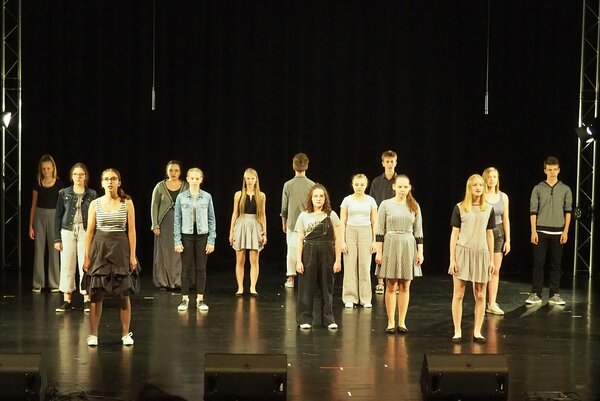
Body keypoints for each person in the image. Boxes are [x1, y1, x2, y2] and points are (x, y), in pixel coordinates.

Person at [83, 168, 138, 346]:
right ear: (102, 183)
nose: (110, 182)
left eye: (113, 179)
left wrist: (133, 255)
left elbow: (131, 231)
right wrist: (86, 256)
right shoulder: (95, 204)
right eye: (106, 179)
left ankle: (125, 334)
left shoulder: (126, 202)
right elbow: (90, 231)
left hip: (120, 248)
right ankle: (93, 334)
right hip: (100, 248)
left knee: (123, 293)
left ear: (119, 182)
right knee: (96, 293)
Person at [449, 174, 495, 344]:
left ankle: (477, 331)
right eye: (475, 185)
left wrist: (491, 259)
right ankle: (457, 330)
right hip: (463, 253)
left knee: (481, 295)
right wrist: (452, 259)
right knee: (459, 294)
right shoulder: (460, 208)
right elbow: (454, 235)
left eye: (481, 185)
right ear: (469, 187)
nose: (478, 188)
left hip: (482, 254)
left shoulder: (488, 209)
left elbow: (490, 235)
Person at [375, 175, 424, 333]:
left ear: (409, 188)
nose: (403, 190)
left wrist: (420, 252)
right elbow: (379, 231)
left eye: (405, 187)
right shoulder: (385, 205)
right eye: (400, 187)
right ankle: (391, 322)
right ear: (394, 187)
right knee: (391, 284)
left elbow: (418, 231)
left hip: (408, 244)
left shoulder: (414, 205)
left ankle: (402, 322)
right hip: (391, 243)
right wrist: (379, 252)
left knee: (405, 285)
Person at [295, 184, 342, 330]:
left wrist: (338, 260)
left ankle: (328, 319)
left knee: (327, 286)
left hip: (327, 251)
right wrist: (298, 261)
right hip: (309, 251)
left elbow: (338, 239)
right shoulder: (303, 216)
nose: (318, 199)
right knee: (306, 287)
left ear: (325, 198)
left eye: (321, 196)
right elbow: (299, 240)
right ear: (311, 198)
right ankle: (305, 319)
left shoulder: (331, 215)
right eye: (315, 196)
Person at [526, 156, 572, 306]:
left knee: (556, 264)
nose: (552, 172)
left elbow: (568, 211)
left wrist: (565, 231)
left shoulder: (565, 189)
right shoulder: (538, 188)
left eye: (555, 169)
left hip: (558, 232)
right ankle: (536, 293)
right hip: (541, 231)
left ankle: (554, 294)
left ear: (559, 170)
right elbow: (533, 211)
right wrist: (533, 231)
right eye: (549, 170)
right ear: (545, 170)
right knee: (538, 263)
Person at [54, 163, 97, 313]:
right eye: (76, 174)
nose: (78, 176)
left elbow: (96, 216)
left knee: (85, 264)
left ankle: (86, 298)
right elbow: (58, 216)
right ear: (72, 176)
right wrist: (57, 239)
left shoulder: (92, 194)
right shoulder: (64, 193)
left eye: (81, 174)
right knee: (67, 264)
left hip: (85, 230)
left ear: (86, 177)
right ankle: (67, 299)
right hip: (68, 230)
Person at [174, 168, 216, 312]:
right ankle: (184, 299)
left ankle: (200, 298)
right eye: (192, 178)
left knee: (201, 268)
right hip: (187, 234)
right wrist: (177, 241)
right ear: (187, 179)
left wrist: (211, 240)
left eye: (197, 178)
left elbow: (211, 219)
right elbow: (177, 220)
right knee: (186, 268)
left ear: (201, 179)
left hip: (202, 235)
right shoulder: (181, 197)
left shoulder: (207, 197)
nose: (194, 181)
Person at [339, 174, 377, 309]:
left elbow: (375, 222)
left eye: (362, 184)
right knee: (350, 265)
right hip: (350, 231)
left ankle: (365, 298)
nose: (359, 187)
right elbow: (342, 221)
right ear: (352, 185)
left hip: (366, 231)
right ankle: (350, 297)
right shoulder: (347, 200)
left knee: (364, 265)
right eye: (356, 184)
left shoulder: (371, 200)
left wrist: (375, 241)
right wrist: (342, 241)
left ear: (366, 185)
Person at [229, 168, 267, 296]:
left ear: (256, 180)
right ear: (244, 180)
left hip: (255, 226)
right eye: (248, 178)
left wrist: (264, 233)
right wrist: (231, 232)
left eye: (252, 178)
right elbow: (235, 213)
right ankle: (240, 287)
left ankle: (252, 287)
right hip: (241, 225)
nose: (250, 181)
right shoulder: (238, 194)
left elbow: (262, 215)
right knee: (240, 259)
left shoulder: (261, 196)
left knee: (254, 260)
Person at [151, 160, 188, 290]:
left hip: (181, 223)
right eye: (171, 170)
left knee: (179, 251)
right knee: (164, 252)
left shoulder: (186, 186)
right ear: (167, 171)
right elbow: (154, 205)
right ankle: (164, 281)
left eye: (176, 170)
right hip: (164, 223)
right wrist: (155, 224)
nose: (173, 173)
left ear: (180, 172)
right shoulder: (160, 186)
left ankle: (179, 281)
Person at [29, 154, 64, 293]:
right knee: (39, 250)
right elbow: (33, 205)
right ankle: (38, 283)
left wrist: (62, 224)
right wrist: (30, 225)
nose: (46, 171)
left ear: (53, 168)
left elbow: (62, 206)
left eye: (48, 168)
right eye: (43, 169)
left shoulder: (59, 184)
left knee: (54, 250)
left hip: (54, 217)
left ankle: (55, 283)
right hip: (39, 216)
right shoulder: (37, 183)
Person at [280, 153, 315, 288]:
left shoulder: (288, 184)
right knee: (307, 250)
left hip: (293, 222)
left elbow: (284, 207)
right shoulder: (312, 185)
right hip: (308, 223)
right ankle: (306, 278)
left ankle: (291, 278)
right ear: (307, 166)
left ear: (293, 166)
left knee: (292, 249)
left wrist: (284, 222)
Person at [482, 167, 511, 315]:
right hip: (484, 233)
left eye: (494, 177)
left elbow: (506, 219)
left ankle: (492, 303)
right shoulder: (481, 195)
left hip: (498, 233)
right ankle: (480, 303)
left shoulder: (503, 196)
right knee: (484, 269)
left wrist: (508, 240)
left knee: (495, 270)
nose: (491, 179)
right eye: (489, 177)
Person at [369, 150, 398, 295]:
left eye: (392, 161)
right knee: (380, 249)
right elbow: (372, 200)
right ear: (383, 163)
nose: (390, 164)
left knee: (394, 250)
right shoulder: (376, 182)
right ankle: (380, 281)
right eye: (387, 161)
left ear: (396, 163)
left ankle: (393, 281)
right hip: (380, 219)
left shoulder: (399, 181)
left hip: (396, 219)